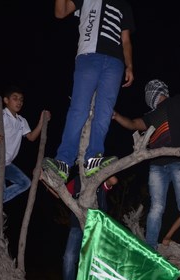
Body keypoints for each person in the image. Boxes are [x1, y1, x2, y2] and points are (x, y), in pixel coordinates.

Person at [112, 61, 180, 262]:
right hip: (157, 165)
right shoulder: (150, 116)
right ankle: (150, 248)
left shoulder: (178, 101)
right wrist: (116, 115)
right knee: (158, 207)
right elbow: (132, 124)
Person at [42, 0, 134, 183]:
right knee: (79, 108)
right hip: (88, 56)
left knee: (104, 112)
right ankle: (64, 162)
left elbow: (126, 40)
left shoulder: (124, 5)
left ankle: (93, 159)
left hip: (115, 63)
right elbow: (60, 13)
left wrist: (129, 65)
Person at [0, 85, 50, 240]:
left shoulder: (22, 121)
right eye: (15, 98)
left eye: (21, 99)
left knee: (25, 183)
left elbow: (31, 137)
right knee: (0, 192)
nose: (19, 102)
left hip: (6, 163)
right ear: (6, 100)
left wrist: (42, 121)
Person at [46, 174, 118, 280]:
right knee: (68, 257)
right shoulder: (77, 180)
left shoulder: (99, 178)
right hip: (76, 224)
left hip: (96, 224)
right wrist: (43, 179)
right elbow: (59, 194)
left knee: (96, 260)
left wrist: (102, 168)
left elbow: (114, 181)